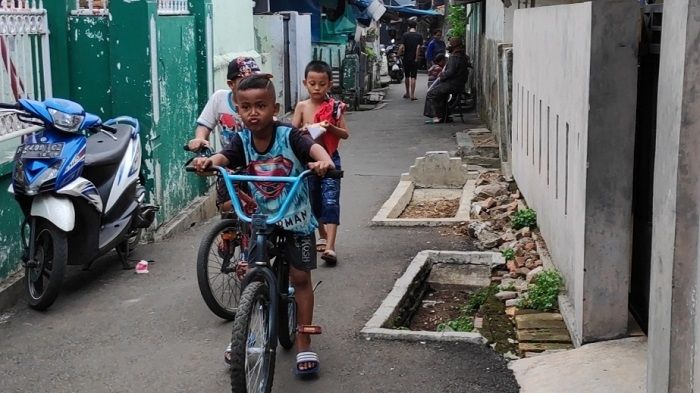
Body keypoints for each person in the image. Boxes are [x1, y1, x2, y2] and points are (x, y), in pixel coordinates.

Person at [192, 74, 335, 377]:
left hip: (295, 220)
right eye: (245, 107)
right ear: (238, 111)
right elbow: (225, 156)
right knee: (252, 270)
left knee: (299, 278)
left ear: (275, 107)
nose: (252, 113)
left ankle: (304, 340)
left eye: (260, 106)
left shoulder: (289, 135)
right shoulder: (241, 139)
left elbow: (314, 148)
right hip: (260, 219)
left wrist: (323, 162)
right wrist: (209, 162)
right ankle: (249, 334)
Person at [188, 57, 266, 213]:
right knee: (227, 208)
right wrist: (200, 139)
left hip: (258, 164)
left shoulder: (261, 101)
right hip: (229, 164)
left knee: (264, 209)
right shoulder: (219, 99)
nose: (250, 85)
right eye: (245, 80)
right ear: (231, 84)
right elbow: (204, 125)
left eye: (255, 80)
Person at [292, 60, 349, 265]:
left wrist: (329, 127)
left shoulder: (334, 109)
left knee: (331, 201)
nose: (317, 88)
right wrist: (305, 130)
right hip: (309, 163)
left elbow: (345, 134)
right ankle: (322, 234)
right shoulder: (301, 106)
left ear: (330, 84)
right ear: (305, 83)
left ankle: (331, 247)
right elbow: (291, 133)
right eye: (312, 83)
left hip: (330, 160)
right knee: (314, 202)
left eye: (322, 84)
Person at [424, 37, 471, 123]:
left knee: (431, 93)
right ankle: (444, 115)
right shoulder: (463, 56)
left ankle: (437, 116)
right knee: (439, 93)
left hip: (453, 84)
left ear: (454, 46)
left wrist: (442, 75)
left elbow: (450, 72)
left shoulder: (455, 57)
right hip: (458, 84)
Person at [399, 19, 423, 100]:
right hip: (414, 59)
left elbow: (401, 47)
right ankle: (412, 95)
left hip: (406, 58)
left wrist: (398, 54)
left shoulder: (405, 35)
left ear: (408, 27)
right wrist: (416, 57)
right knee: (413, 76)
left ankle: (407, 93)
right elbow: (418, 47)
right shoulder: (419, 35)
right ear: (415, 26)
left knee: (407, 76)